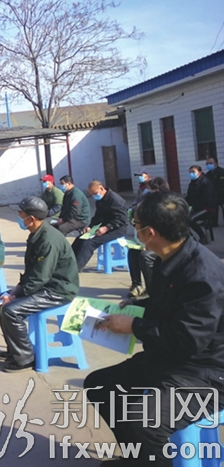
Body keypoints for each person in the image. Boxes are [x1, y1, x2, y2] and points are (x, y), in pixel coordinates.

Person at [83, 191, 224, 466]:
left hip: (206, 373)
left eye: (135, 225)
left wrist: (134, 326)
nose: (133, 230)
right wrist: (136, 306)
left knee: (145, 421)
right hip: (172, 359)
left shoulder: (201, 276)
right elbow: (169, 305)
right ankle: (140, 459)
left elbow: (187, 339)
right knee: (100, 386)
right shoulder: (169, 257)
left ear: (149, 233)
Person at [0, 196, 79, 373]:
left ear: (31, 218)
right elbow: (33, 271)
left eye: (21, 214)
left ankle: (25, 358)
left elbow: (40, 277)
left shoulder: (48, 240)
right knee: (0, 303)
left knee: (10, 310)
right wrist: (15, 290)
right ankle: (15, 350)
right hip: (44, 284)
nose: (18, 217)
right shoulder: (37, 234)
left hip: (58, 290)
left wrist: (16, 295)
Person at [70, 180, 128, 272]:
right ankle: (68, 264)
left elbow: (121, 220)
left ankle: (75, 269)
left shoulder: (115, 200)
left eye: (95, 193)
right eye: (92, 195)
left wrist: (107, 228)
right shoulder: (100, 200)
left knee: (89, 243)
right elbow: (98, 216)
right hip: (104, 226)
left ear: (101, 188)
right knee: (80, 239)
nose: (94, 196)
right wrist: (90, 227)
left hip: (117, 229)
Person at [126, 178, 168, 299]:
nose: (147, 192)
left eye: (150, 190)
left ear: (157, 190)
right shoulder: (149, 204)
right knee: (132, 252)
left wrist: (150, 244)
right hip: (151, 241)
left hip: (165, 243)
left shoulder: (164, 206)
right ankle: (137, 285)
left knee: (145, 256)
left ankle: (152, 290)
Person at [186, 165, 217, 243]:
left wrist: (194, 208)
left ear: (199, 172)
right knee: (182, 218)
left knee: (190, 219)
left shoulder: (205, 182)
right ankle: (191, 238)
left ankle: (203, 237)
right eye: (190, 172)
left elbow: (207, 198)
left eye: (193, 172)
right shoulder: (192, 183)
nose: (191, 174)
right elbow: (189, 197)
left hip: (207, 207)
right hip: (196, 207)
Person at [204, 156, 224, 226]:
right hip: (213, 195)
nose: (208, 165)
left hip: (221, 194)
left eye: (210, 163)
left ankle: (213, 221)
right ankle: (209, 220)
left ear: (216, 163)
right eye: (207, 164)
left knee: (213, 202)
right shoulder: (208, 174)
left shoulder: (221, 172)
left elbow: (221, 186)